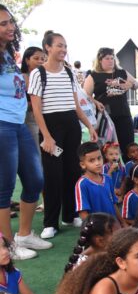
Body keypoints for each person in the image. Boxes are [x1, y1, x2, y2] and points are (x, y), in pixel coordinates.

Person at [29, 30, 99, 240]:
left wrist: (89, 125)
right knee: (52, 176)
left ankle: (69, 215)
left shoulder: (69, 72)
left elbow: (75, 104)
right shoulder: (37, 74)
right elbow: (36, 109)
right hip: (51, 126)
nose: (63, 49)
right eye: (59, 45)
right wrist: (47, 136)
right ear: (47, 47)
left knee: (72, 172)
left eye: (65, 46)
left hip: (71, 125)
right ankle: (51, 222)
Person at [0, 7, 50, 260]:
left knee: (34, 179)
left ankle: (25, 234)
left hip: (19, 123)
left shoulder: (7, 53)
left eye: (10, 22)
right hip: (2, 125)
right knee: (4, 188)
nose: (10, 27)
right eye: (2, 24)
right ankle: (7, 246)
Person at [83, 47, 138, 161]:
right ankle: (109, 174)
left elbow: (137, 84)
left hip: (124, 115)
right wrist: (95, 101)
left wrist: (131, 85)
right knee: (107, 148)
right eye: (107, 58)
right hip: (105, 118)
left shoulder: (121, 72)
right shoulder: (93, 75)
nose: (110, 61)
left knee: (128, 146)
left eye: (112, 58)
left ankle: (129, 173)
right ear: (100, 60)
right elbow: (84, 96)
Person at [75, 142, 121, 221]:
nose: (98, 163)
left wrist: (122, 222)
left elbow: (114, 204)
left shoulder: (107, 179)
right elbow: (83, 213)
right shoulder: (82, 184)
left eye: (99, 158)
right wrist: (96, 229)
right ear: (83, 164)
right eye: (92, 160)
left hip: (113, 225)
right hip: (97, 230)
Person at [20, 46, 46, 148]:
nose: (40, 61)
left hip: (47, 118)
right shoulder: (22, 77)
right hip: (30, 119)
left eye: (43, 59)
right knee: (36, 148)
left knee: (54, 148)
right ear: (27, 60)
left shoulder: (44, 77)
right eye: (36, 58)